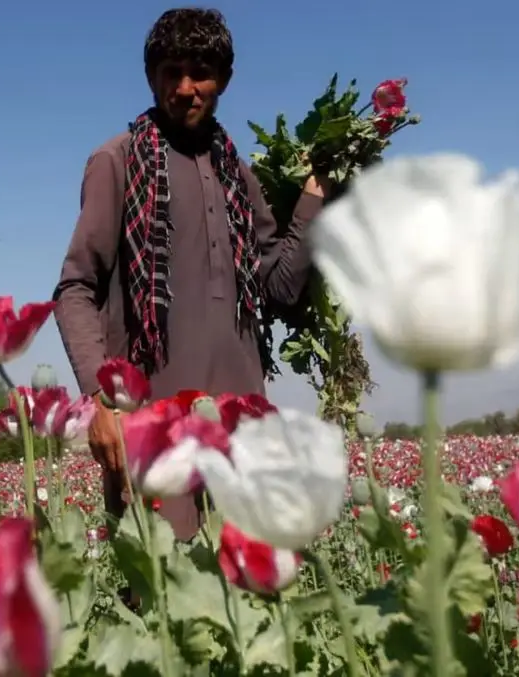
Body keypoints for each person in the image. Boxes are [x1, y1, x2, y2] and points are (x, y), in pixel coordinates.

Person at [53, 7, 330, 543]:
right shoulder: (118, 161)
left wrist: (315, 202)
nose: (185, 88)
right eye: (170, 72)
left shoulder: (240, 178)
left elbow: (279, 286)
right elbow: (75, 287)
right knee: (162, 600)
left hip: (242, 438)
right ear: (151, 78)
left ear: (223, 78)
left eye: (200, 71)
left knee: (248, 603)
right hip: (154, 438)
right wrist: (101, 401)